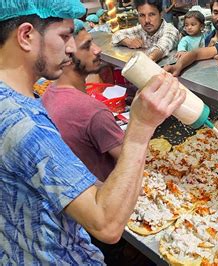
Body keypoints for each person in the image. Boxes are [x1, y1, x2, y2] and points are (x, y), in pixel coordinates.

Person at [0, 0, 185, 264]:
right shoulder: (25, 124)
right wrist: (141, 126)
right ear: (26, 35)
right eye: (64, 36)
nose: (70, 47)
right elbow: (107, 226)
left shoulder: (13, 100)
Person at [42, 20, 123, 183]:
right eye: (87, 46)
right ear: (67, 54)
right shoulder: (92, 111)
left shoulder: (48, 94)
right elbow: (132, 163)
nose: (98, 49)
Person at [112, 0, 179, 62]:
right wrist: (128, 42)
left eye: (152, 14)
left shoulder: (170, 30)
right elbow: (116, 35)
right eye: (142, 15)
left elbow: (162, 48)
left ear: (161, 14)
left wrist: (150, 58)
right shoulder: (141, 29)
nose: (147, 20)